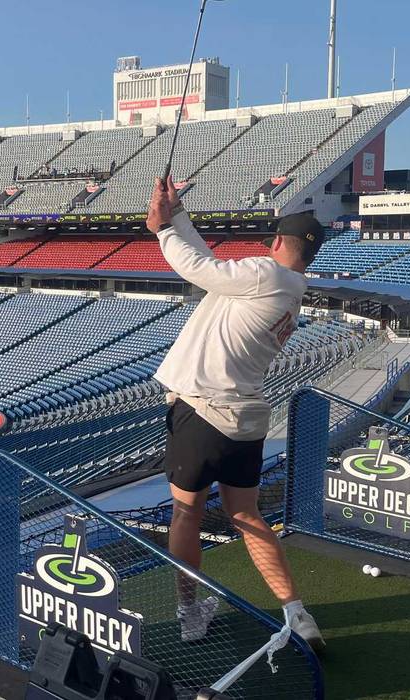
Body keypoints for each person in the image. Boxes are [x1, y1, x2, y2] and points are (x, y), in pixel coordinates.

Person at [146, 176, 326, 652]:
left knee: (185, 514)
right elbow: (213, 266)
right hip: (246, 419)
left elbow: (199, 268)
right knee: (246, 514)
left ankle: (190, 613)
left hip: (203, 410)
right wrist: (178, 213)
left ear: (278, 243)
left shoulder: (267, 275)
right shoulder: (290, 287)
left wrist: (163, 230)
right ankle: (296, 611)